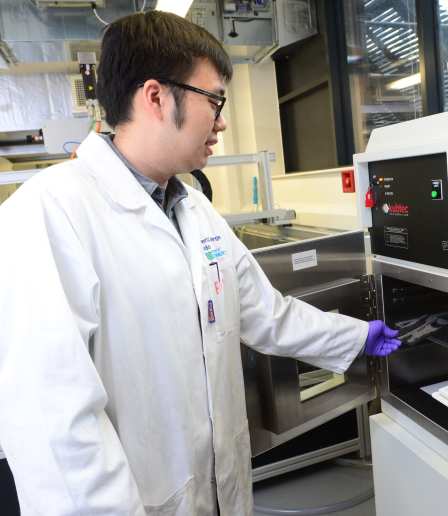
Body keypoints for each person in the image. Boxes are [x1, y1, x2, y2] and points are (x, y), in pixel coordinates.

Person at [0, 10, 400, 516]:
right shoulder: (47, 215)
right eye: (214, 100)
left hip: (220, 490)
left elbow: (265, 313)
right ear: (155, 97)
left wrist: (355, 336)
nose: (222, 120)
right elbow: (56, 421)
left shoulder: (194, 208)